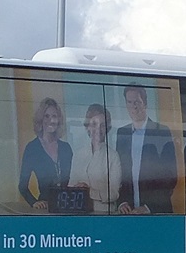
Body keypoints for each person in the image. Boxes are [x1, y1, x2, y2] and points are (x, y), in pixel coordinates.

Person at [114, 83, 177, 215]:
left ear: (145, 103)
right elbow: (120, 173)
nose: (134, 106)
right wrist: (123, 202)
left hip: (156, 213)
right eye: (129, 102)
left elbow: (171, 176)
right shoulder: (122, 133)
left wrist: (148, 207)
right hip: (130, 214)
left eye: (137, 101)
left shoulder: (162, 131)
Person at [18, 96, 73, 211]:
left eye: (54, 116)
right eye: (46, 116)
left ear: (58, 120)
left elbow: (72, 181)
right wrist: (34, 202)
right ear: (41, 119)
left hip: (68, 207)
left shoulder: (66, 148)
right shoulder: (32, 149)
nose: (51, 120)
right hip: (45, 210)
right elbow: (22, 186)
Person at [70, 103, 122, 214]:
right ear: (88, 126)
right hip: (80, 213)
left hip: (104, 215)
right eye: (94, 124)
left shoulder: (113, 156)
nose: (98, 128)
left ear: (107, 128)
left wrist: (88, 191)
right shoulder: (78, 154)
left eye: (102, 125)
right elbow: (70, 186)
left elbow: (114, 193)